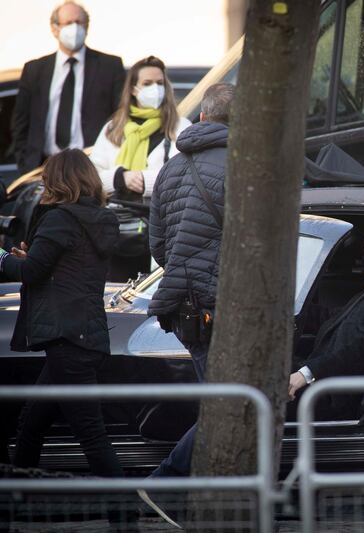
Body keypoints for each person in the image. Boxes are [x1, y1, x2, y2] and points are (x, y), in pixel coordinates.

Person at [0, 149, 137, 529]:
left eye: (47, 179)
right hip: (84, 336)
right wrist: (32, 257)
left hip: (65, 340)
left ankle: (125, 519)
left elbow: (30, 272)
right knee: (30, 426)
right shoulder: (100, 219)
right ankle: (13, 510)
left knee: (91, 436)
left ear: (59, 181)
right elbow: (58, 266)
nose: (43, 185)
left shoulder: (60, 219)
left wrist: (2, 258)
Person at [135, 83, 234, 527]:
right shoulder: (243, 167)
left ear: (203, 117)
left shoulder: (170, 169)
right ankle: (167, 484)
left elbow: (157, 245)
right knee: (231, 406)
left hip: (184, 309)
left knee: (227, 402)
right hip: (221, 306)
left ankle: (218, 496)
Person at [288, 226, 364, 419]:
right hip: (324, 382)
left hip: (329, 394)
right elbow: (332, 317)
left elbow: (359, 348)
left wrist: (306, 374)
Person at [12, 1, 125, 175]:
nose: (75, 28)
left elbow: (120, 119)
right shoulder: (35, 70)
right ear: (55, 29)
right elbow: (21, 124)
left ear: (87, 27)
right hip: (43, 168)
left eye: (79, 22)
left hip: (91, 168)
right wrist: (26, 166)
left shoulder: (109, 66)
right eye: (68, 23)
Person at [90, 55, 191, 199]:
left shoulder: (180, 126)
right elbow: (92, 177)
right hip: (117, 214)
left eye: (160, 83)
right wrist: (120, 178)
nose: (155, 89)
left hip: (159, 215)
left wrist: (142, 180)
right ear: (133, 89)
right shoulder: (113, 128)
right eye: (148, 83)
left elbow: (183, 174)